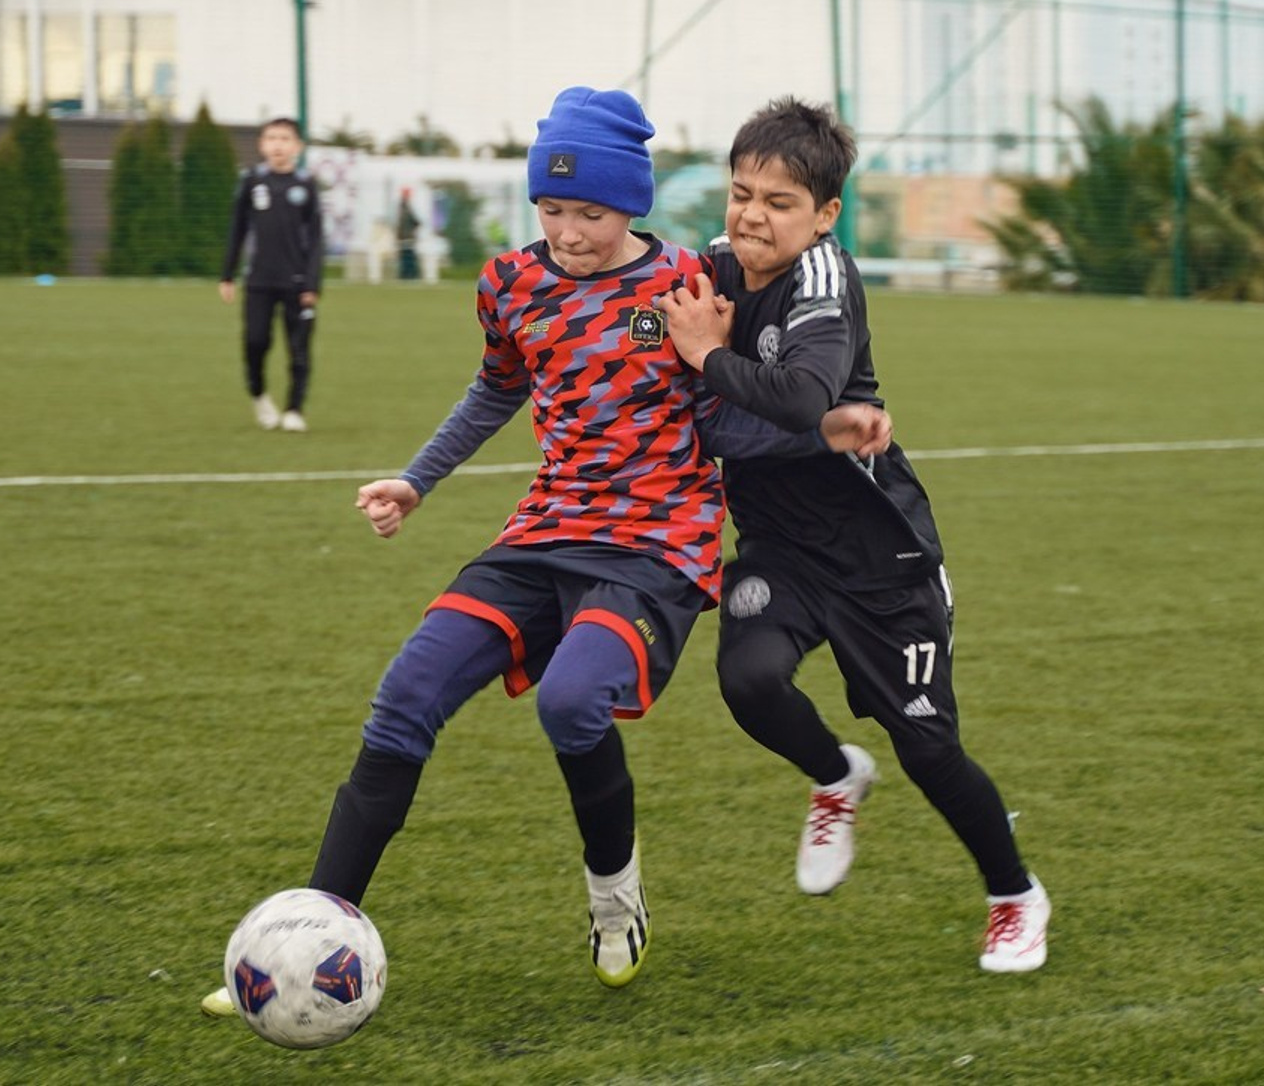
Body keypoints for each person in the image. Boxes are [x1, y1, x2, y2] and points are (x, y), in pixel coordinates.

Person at [201, 87, 889, 1017]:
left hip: (656, 545)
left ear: (632, 204)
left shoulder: (691, 285)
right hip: (544, 532)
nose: (569, 231)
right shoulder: (510, 284)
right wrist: (416, 480)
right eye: (553, 209)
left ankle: (616, 900)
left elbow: (734, 408)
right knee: (405, 698)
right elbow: (494, 391)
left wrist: (829, 429)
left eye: (591, 213)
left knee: (572, 702)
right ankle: (308, 940)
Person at [657, 96, 1050, 974]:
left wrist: (707, 359)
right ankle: (836, 774)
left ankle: (1015, 895)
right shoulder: (711, 271)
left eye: (780, 201)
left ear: (825, 214)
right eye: (741, 192)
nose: (753, 214)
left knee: (929, 750)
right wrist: (661, 326)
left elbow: (802, 397)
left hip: (881, 558)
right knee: (750, 681)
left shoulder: (825, 280)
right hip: (780, 547)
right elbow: (649, 329)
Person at [219, 117, 324, 432]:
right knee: (255, 341)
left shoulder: (306, 185)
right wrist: (227, 274)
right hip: (259, 281)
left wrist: (312, 283)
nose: (277, 145)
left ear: (297, 147)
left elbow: (317, 239)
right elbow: (237, 230)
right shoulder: (252, 182)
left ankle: (294, 408)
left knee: (299, 348)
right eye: (271, 138)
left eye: (284, 138)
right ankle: (259, 394)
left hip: (297, 283)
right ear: (262, 144)